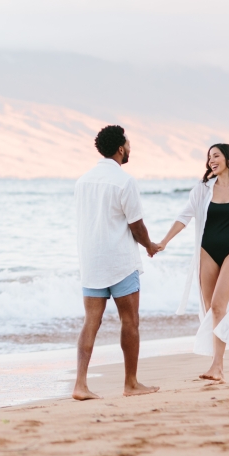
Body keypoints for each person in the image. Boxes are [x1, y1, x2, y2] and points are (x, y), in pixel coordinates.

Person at [157, 143, 229, 383]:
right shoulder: (202, 189)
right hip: (207, 251)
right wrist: (164, 241)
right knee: (210, 309)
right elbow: (184, 216)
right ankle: (216, 364)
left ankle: (218, 366)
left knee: (218, 305)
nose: (211, 160)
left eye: (216, 156)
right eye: (209, 157)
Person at [72, 125, 161, 401]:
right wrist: (150, 246)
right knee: (130, 321)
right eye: (129, 143)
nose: (131, 146)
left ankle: (80, 385)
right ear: (121, 148)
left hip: (92, 262)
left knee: (91, 322)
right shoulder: (125, 181)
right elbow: (136, 225)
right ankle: (131, 383)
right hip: (120, 262)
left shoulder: (82, 181)